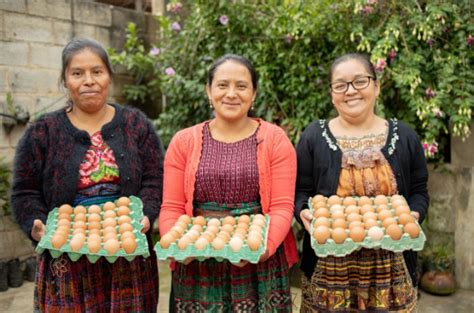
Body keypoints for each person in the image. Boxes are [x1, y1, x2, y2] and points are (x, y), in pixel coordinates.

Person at [10, 38, 163, 312]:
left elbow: (154, 179)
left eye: (97, 71)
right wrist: (38, 224)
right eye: (77, 73)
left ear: (109, 77)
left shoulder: (135, 124)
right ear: (65, 80)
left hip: (127, 257)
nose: (88, 80)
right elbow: (24, 191)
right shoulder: (43, 131)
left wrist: (147, 213)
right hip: (67, 259)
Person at [159, 54, 298, 312]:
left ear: (254, 93)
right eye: (222, 85)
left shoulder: (275, 140)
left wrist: (262, 249)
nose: (231, 94)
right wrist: (177, 244)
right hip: (196, 264)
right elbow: (171, 206)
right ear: (208, 91)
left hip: (258, 263)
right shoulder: (184, 141)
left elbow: (281, 206)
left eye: (241, 86)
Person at [295, 53, 429, 312]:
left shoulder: (405, 136)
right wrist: (303, 212)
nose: (350, 91)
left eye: (360, 81)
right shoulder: (313, 137)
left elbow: (420, 191)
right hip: (329, 271)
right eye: (341, 85)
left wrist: (412, 214)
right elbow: (300, 191)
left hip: (392, 271)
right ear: (332, 93)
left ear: (376, 86)